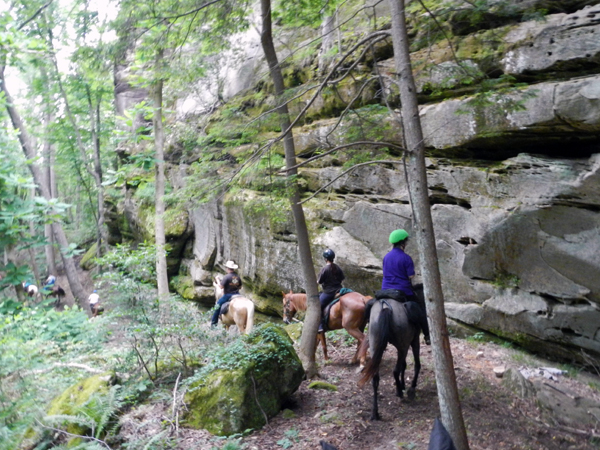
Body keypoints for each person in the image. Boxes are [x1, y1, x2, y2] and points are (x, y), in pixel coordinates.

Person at [383, 229, 431, 345]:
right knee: (421, 310)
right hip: (402, 291)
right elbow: (411, 276)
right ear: (403, 243)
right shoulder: (406, 258)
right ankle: (427, 336)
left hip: (385, 290)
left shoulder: (386, 257)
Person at [211, 260, 242, 327]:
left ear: (227, 268)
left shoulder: (227, 277)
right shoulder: (237, 277)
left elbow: (221, 287)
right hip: (237, 295)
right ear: (233, 268)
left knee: (217, 307)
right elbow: (240, 287)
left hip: (228, 295)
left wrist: (218, 280)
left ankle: (213, 325)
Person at [317, 249, 345, 320]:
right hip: (339, 289)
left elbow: (319, 281)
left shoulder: (325, 269)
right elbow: (342, 278)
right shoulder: (337, 267)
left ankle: (320, 326)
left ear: (325, 259)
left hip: (329, 292)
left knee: (317, 307)